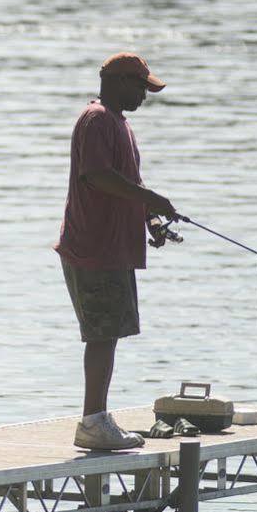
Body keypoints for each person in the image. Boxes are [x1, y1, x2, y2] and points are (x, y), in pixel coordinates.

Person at [55, 51, 181, 450]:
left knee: (108, 334)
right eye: (141, 87)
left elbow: (128, 181)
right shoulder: (96, 120)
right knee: (102, 334)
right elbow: (97, 176)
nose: (145, 96)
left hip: (114, 247)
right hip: (94, 245)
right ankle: (93, 421)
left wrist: (151, 218)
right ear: (118, 82)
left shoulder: (120, 124)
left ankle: (97, 416)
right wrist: (152, 197)